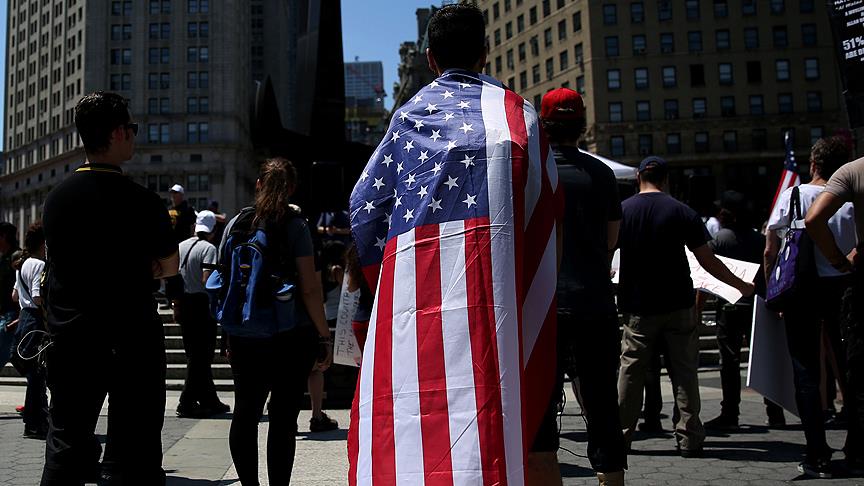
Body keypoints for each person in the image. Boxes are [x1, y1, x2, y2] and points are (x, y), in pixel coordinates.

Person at [348, 5, 562, 485]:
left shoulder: (407, 119)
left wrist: (383, 286)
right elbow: (547, 215)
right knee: (515, 436)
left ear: (429, 58)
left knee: (424, 438)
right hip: (501, 306)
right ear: (486, 53)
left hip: (421, 308)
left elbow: (364, 211)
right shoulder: (520, 117)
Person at [40, 91, 178, 485]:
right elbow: (169, 266)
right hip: (131, 337)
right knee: (133, 451)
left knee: (65, 442)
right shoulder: (144, 202)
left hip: (71, 337)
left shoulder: (56, 199)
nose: (134, 136)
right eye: (132, 129)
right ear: (118, 133)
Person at [616, 156, 755, 458]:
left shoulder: (623, 211)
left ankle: (621, 437)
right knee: (684, 372)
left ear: (638, 176)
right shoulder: (682, 211)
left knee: (631, 371)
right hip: (678, 303)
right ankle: (690, 437)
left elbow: (603, 252)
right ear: (666, 180)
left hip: (638, 306)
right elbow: (708, 260)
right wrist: (739, 285)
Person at [224, 158, 332, 485]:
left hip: (245, 332)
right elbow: (310, 288)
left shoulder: (236, 223)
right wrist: (324, 335)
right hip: (291, 335)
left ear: (257, 184)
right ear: (291, 189)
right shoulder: (296, 225)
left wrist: (227, 333)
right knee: (283, 419)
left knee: (245, 411)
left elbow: (222, 281)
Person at [538, 88, 627, 486]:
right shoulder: (603, 175)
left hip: (544, 308)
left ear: (544, 125)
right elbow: (611, 240)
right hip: (594, 302)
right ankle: (610, 478)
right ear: (582, 126)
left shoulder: (533, 174)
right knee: (603, 402)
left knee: (540, 405)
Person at [790, 137, 860, 478]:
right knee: (852, 366)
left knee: (806, 367)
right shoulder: (852, 195)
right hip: (847, 285)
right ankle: (856, 445)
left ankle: (816, 450)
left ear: (814, 163)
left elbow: (773, 249)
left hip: (805, 287)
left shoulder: (798, 195)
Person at [704, 191, 786, 430]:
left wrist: (699, 307)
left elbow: (706, 274)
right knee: (763, 358)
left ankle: (730, 413)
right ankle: (775, 411)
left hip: (729, 307)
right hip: (758, 306)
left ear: (725, 213)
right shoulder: (759, 240)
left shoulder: (719, 240)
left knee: (728, 362)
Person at [175, 210, 230, 418]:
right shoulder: (209, 248)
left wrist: (175, 303)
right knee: (201, 356)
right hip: (201, 304)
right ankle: (186, 401)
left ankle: (209, 399)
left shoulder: (181, 245)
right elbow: (208, 280)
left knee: (194, 354)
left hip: (184, 302)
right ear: (213, 231)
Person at [11, 222, 49, 440]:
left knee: (34, 375)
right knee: (38, 374)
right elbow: (37, 296)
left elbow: (15, 296)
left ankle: (33, 421)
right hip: (36, 321)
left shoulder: (22, 263)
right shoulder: (39, 265)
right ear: (43, 243)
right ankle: (37, 422)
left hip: (24, 319)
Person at [307, 240, 343, 433]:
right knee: (317, 369)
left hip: (321, 315)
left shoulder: (318, 271)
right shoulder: (336, 270)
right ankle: (316, 414)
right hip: (332, 317)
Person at [0, 222, 20, 372]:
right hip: (6, 316)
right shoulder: (4, 258)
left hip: (11, 317)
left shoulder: (17, 258)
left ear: (4, 236)